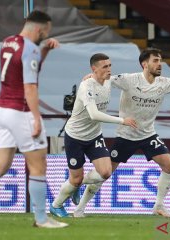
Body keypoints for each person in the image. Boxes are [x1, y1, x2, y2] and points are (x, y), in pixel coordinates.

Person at [73, 48, 170, 218]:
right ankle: (79, 203)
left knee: (169, 165)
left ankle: (159, 206)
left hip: (148, 135)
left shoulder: (164, 83)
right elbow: (106, 78)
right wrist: (91, 77)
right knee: (104, 175)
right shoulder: (129, 80)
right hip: (126, 135)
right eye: (155, 60)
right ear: (144, 64)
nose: (159, 64)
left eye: (160, 60)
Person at [0, 10, 68, 228]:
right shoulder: (30, 48)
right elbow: (30, 85)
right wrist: (37, 119)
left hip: (0, 110)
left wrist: (44, 51)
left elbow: (25, 71)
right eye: (45, 32)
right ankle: (41, 219)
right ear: (39, 29)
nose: (45, 36)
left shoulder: (9, 42)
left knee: (0, 164)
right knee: (38, 166)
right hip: (20, 112)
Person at [49, 53, 137, 218]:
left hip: (94, 136)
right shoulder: (86, 87)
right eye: (105, 67)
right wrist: (122, 120)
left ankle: (76, 185)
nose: (109, 70)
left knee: (105, 172)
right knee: (74, 179)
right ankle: (56, 205)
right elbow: (94, 115)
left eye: (110, 66)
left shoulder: (109, 80)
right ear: (94, 69)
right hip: (75, 136)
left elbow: (131, 78)